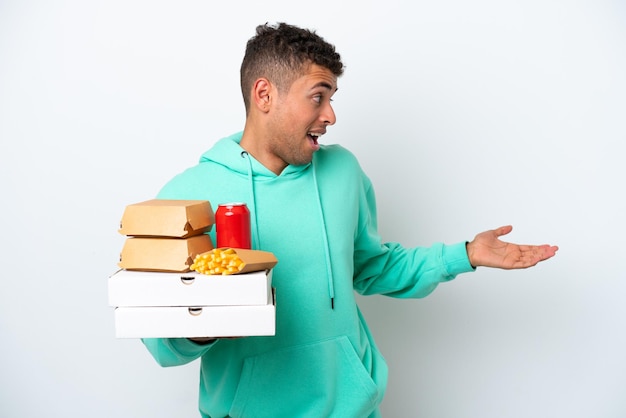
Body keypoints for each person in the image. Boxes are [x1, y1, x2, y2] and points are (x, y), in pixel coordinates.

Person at [142, 22, 558, 418]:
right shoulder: (188, 197)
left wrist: (464, 255)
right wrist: (204, 323)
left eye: (332, 98)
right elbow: (158, 338)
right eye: (317, 97)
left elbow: (373, 267)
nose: (331, 116)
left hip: (353, 409)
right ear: (264, 95)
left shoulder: (343, 173)